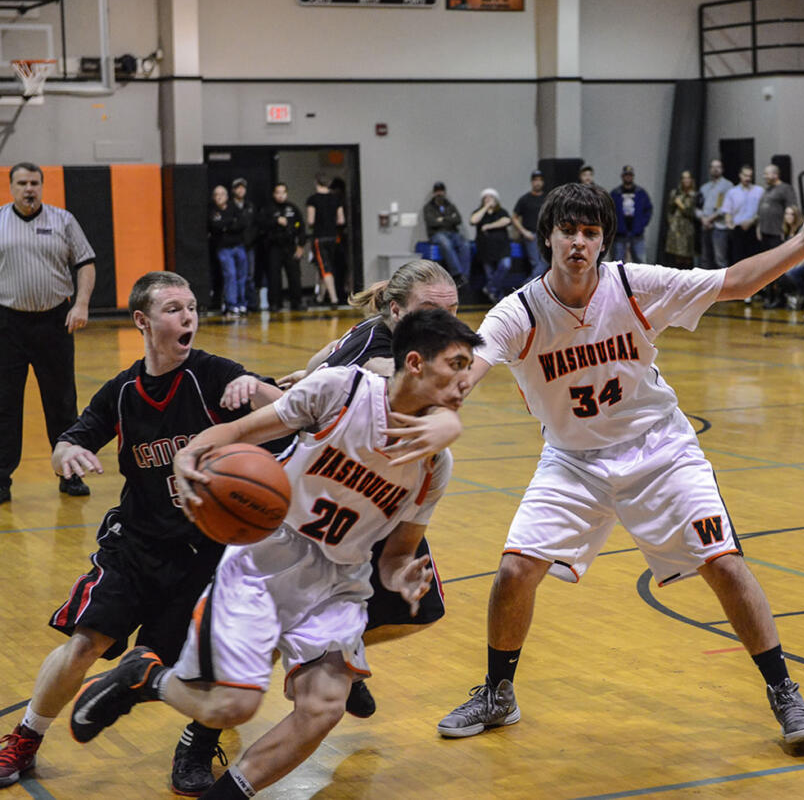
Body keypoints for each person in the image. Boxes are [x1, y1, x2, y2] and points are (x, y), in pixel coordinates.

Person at [435, 183, 804, 747]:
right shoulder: (522, 310)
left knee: (723, 564)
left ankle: (785, 693)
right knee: (514, 571)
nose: (579, 242)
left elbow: (735, 283)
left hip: (660, 451)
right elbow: (475, 362)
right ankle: (497, 693)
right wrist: (445, 394)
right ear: (548, 238)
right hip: (573, 461)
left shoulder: (633, 285)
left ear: (603, 241)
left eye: (591, 232)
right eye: (569, 232)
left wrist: (803, 243)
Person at [70, 308, 480, 799]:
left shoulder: (436, 462)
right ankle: (146, 676)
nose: (467, 378)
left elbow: (396, 555)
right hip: (265, 558)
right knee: (230, 709)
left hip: (339, 582)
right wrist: (187, 455)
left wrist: (400, 576)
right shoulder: (340, 391)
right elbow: (240, 433)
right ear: (415, 363)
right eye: (456, 365)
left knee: (325, 707)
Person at [0, 271, 281, 795]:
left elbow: (293, 413)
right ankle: (24, 739)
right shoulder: (123, 391)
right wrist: (68, 454)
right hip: (136, 542)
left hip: (207, 552)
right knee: (86, 643)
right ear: (143, 321)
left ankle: (197, 744)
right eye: (174, 308)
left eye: (192, 306)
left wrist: (259, 389)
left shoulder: (215, 375)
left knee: (212, 657)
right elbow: (72, 438)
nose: (188, 317)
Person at [275, 262, 461, 718]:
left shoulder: (379, 332)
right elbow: (386, 373)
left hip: (373, 493)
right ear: (397, 312)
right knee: (262, 634)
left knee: (415, 608)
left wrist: (308, 371)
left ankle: (342, 652)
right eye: (432, 312)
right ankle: (201, 735)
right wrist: (445, 420)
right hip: (312, 496)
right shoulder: (385, 355)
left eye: (454, 312)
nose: (447, 325)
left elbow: (323, 360)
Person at [0, 162, 96, 503]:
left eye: (35, 183)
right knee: (4, 405)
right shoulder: (0, 221)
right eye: (22, 183)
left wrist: (81, 304)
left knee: (61, 402)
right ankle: (1, 480)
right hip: (8, 324)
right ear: (11, 186)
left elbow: (85, 262)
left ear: (42, 185)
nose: (29, 189)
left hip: (54, 322)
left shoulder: (63, 220)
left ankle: (69, 473)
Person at [757, 165, 799, 307]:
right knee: (766, 266)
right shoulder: (767, 190)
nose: (764, 177)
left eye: (767, 174)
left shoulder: (785, 189)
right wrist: (759, 227)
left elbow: (792, 208)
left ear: (776, 174)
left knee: (776, 267)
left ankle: (780, 297)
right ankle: (769, 295)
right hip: (765, 233)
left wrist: (786, 229)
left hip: (777, 233)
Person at [260, 182, 306, 311]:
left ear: (286, 193)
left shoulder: (292, 209)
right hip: (273, 246)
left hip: (290, 246)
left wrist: (301, 246)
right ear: (274, 194)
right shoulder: (268, 209)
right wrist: (275, 221)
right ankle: (275, 303)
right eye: (278, 192)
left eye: (283, 192)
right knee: (274, 276)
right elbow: (260, 225)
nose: (280, 195)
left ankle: (296, 302)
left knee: (294, 275)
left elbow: (301, 228)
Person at [471, 188, 517, 301]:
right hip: (485, 250)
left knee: (505, 265)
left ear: (495, 199)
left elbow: (506, 221)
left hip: (502, 248)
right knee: (490, 275)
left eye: (490, 197)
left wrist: (488, 226)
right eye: (485, 198)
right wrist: (485, 207)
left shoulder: (501, 211)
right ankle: (498, 299)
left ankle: (489, 288)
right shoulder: (479, 212)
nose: (488, 200)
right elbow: (473, 220)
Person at [422, 181, 471, 286]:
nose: (439, 193)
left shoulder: (450, 206)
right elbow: (431, 222)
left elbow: (458, 219)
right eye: (437, 191)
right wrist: (449, 219)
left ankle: (465, 276)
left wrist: (441, 219)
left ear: (444, 192)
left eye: (441, 191)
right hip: (436, 234)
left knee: (465, 244)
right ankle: (457, 274)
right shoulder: (428, 207)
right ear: (434, 193)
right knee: (445, 243)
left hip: (452, 233)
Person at [306, 173, 343, 307]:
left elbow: (310, 221)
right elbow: (341, 220)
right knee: (325, 267)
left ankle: (334, 299)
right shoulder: (336, 199)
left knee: (325, 267)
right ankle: (320, 297)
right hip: (333, 237)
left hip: (320, 237)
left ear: (316, 183)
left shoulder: (313, 200)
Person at [209, 184, 246, 319]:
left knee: (242, 275)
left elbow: (241, 223)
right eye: (216, 195)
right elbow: (215, 226)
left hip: (238, 246)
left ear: (226, 196)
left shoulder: (233, 207)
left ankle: (242, 303)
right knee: (230, 274)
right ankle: (231, 304)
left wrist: (227, 225)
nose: (219, 197)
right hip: (223, 248)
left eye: (221, 194)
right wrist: (229, 223)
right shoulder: (213, 211)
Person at [609, 165, 653, 263]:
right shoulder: (615, 193)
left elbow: (648, 209)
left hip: (637, 234)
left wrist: (642, 224)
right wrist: (615, 226)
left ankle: (641, 279)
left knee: (641, 262)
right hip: (620, 234)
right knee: (617, 262)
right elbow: (609, 211)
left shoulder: (641, 193)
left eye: (630, 175)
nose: (628, 177)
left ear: (633, 176)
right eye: (626, 175)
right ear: (622, 176)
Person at [723, 164, 765, 266]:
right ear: (740, 175)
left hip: (754, 228)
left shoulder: (759, 191)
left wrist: (753, 220)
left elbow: (763, 211)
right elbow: (727, 211)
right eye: (745, 175)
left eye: (750, 176)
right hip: (737, 229)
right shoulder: (732, 192)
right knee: (737, 259)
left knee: (754, 259)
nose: (747, 178)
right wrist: (729, 225)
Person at [230, 177, 261, 311]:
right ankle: (234, 302)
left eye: (243, 187)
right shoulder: (230, 206)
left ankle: (251, 303)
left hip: (249, 246)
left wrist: (250, 239)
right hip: (234, 245)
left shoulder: (250, 206)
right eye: (238, 187)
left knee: (249, 276)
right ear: (233, 190)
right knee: (233, 275)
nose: (241, 190)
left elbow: (255, 225)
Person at [512, 170, 549, 279]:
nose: (537, 183)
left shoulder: (547, 198)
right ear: (532, 182)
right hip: (531, 235)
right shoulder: (525, 199)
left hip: (545, 234)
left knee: (545, 263)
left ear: (543, 182)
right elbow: (514, 217)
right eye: (535, 180)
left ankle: (525, 290)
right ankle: (524, 290)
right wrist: (524, 232)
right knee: (537, 264)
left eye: (540, 180)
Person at [697, 158, 733, 269]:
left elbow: (726, 207)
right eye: (713, 167)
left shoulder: (727, 185)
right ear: (709, 169)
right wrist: (703, 218)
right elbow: (697, 206)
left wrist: (711, 218)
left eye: (718, 167)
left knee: (720, 259)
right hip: (705, 226)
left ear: (722, 169)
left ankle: (723, 286)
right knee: (705, 258)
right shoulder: (704, 187)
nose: (715, 169)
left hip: (719, 226)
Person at [664, 170, 698, 267]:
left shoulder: (694, 195)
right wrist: (671, 222)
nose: (686, 180)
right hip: (676, 227)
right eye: (684, 178)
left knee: (687, 256)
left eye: (688, 178)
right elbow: (669, 210)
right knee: (676, 255)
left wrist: (681, 205)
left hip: (688, 227)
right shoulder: (675, 193)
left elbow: (692, 212)